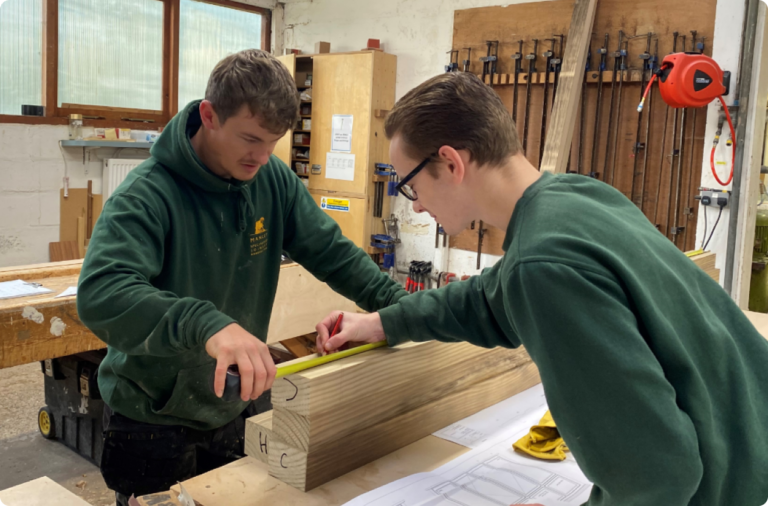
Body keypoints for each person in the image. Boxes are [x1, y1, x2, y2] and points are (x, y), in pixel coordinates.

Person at [316, 72, 768, 505]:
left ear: (451, 163)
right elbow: (489, 299)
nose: (415, 203)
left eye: (410, 186)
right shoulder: (576, 197)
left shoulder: (542, 264)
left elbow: (656, 476)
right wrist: (383, 322)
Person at [77, 49, 407, 505]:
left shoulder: (272, 180)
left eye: (274, 141)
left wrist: (402, 309)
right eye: (250, 138)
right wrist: (206, 323)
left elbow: (333, 253)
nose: (263, 156)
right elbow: (101, 295)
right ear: (209, 115)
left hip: (236, 401)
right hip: (151, 414)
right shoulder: (147, 195)